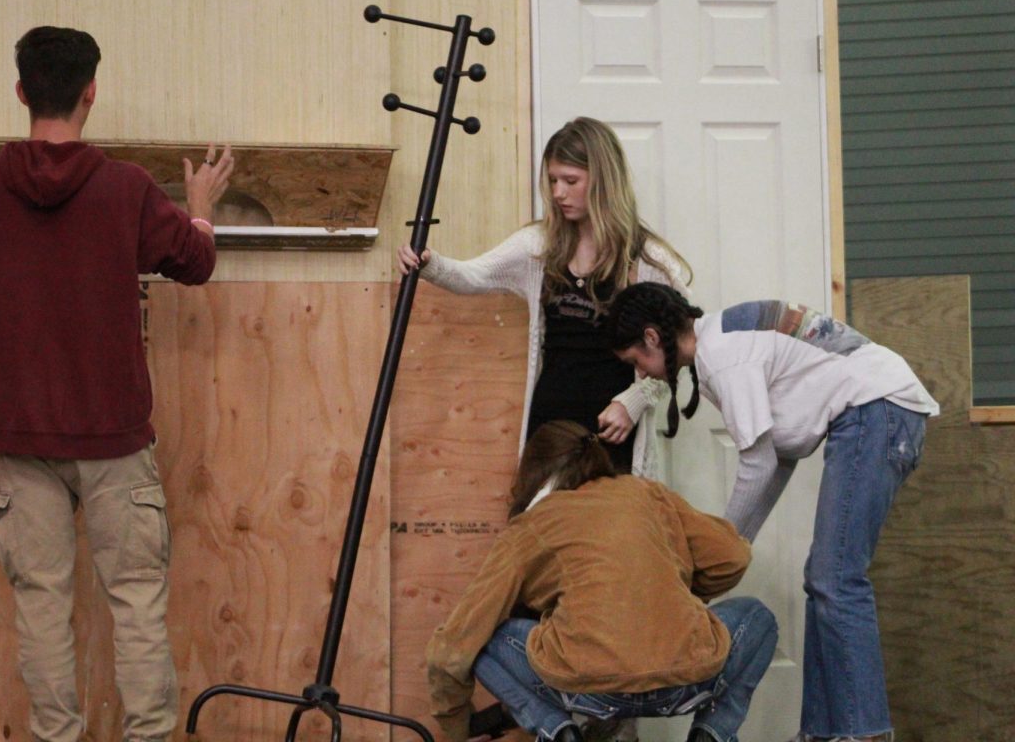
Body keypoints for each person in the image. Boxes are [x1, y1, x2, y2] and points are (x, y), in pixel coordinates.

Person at [0, 26, 234, 742]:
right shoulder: (126, 188)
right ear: (91, 92)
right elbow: (195, 260)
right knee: (138, 602)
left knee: (42, 608)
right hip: (115, 437)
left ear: (21, 93)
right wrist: (201, 201)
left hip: (21, 438)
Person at [608, 283, 939, 742]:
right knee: (824, 577)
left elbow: (759, 462)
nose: (642, 372)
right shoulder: (721, 339)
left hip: (877, 409)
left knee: (836, 579)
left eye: (636, 362)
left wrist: (714, 556)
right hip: (881, 411)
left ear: (650, 337)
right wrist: (735, 546)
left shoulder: (723, 357)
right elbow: (778, 457)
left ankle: (864, 734)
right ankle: (822, 733)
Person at [425, 420, 777, 742]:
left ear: (534, 473)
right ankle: (712, 732)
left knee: (482, 636)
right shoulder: (646, 493)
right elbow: (733, 556)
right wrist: (675, 588)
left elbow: (452, 649)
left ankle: (557, 731)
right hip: (688, 681)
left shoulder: (531, 526)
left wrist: (457, 725)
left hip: (587, 689)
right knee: (757, 617)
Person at [397, 117, 691, 475]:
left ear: (603, 181)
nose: (557, 193)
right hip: (549, 428)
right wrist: (429, 263)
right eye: (553, 180)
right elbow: (473, 276)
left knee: (613, 528)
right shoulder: (539, 246)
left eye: (571, 181)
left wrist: (634, 401)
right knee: (542, 525)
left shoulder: (648, 261)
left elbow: (681, 349)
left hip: (613, 434)